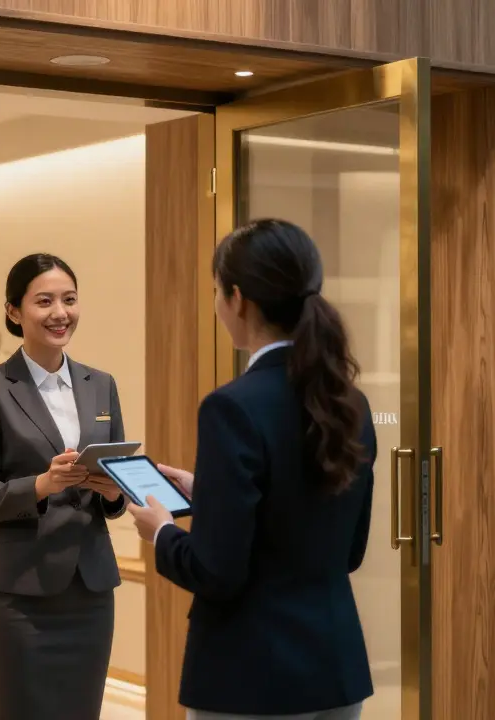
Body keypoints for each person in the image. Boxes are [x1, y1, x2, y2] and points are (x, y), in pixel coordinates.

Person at [130, 219, 377, 720]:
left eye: (217, 291)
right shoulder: (351, 402)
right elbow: (345, 549)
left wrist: (160, 535)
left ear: (237, 299)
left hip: (252, 677)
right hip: (336, 668)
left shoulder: (232, 407)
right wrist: (213, 492)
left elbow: (216, 572)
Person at [0, 253, 128, 720]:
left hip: (90, 594)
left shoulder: (101, 384)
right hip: (20, 598)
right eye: (45, 301)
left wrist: (114, 494)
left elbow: (114, 491)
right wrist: (42, 483)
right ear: (14, 311)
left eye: (69, 300)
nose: (60, 313)